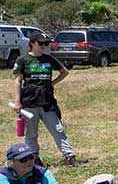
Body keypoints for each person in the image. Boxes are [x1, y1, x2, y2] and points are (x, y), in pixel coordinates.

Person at [11, 33, 75, 165]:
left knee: (57, 129)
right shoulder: (23, 60)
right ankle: (34, 159)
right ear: (32, 43)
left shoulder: (48, 59)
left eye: (46, 44)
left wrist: (52, 83)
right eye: (41, 44)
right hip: (29, 101)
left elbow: (65, 71)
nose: (44, 46)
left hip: (47, 101)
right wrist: (17, 101)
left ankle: (70, 157)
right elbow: (17, 81)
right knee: (31, 133)